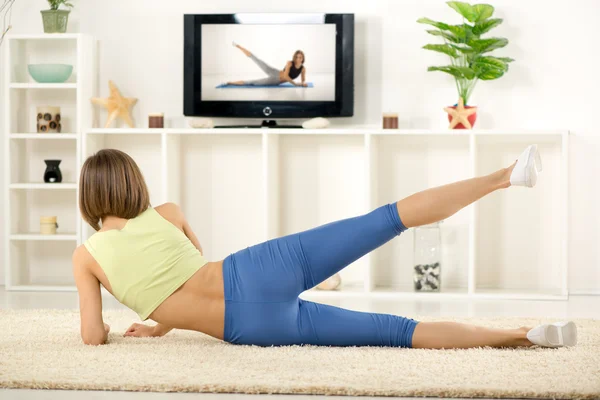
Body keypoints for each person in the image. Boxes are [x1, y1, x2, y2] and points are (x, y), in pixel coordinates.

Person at [73, 146, 577, 349]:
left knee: (398, 333)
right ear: (133, 183)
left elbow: (95, 335)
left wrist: (160, 322)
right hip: (255, 272)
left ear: (89, 197)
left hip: (250, 328)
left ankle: (525, 336)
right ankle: (506, 177)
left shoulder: (87, 256)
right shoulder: (168, 212)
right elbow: (188, 268)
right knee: (385, 219)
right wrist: (163, 318)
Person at [225, 42, 308, 87]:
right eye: (297, 57)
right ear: (294, 57)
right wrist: (295, 84)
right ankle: (239, 46)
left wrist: (303, 83)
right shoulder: (290, 63)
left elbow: (303, 79)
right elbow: (286, 76)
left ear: (303, 58)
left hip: (275, 81)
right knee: (256, 59)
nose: (298, 59)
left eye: (300, 57)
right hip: (274, 72)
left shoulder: (303, 69)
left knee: (252, 82)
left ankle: (230, 83)